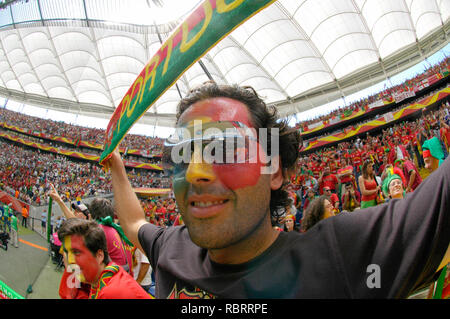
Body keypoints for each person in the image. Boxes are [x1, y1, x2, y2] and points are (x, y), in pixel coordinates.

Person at [106, 82, 449, 298]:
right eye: (181, 154)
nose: (195, 172)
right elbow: (135, 224)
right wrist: (118, 171)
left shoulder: (339, 255)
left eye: (224, 148)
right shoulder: (171, 245)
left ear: (275, 172)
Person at [57, 218, 151, 299]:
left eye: (76, 252)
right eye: (66, 252)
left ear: (99, 255)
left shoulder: (111, 292)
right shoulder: (106, 278)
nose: (69, 260)